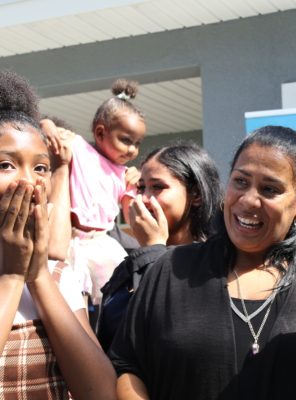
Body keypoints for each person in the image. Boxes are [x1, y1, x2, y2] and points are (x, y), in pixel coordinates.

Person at [109, 126, 296, 399]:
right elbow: (128, 369)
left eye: (269, 189)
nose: (248, 200)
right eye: (241, 181)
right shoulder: (171, 269)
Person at [0, 70, 116, 399]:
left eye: (40, 167)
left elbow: (101, 393)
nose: (27, 181)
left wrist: (37, 276)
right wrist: (11, 275)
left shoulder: (57, 276)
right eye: (6, 164)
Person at [97, 142, 222, 352]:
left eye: (157, 187)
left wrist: (154, 249)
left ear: (196, 195)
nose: (144, 198)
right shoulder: (132, 263)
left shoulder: (217, 264)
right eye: (141, 187)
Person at [45, 79, 146, 310]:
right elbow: (44, 124)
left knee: (117, 296)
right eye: (126, 140)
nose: (132, 149)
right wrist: (49, 126)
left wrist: (139, 185)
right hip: (70, 240)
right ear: (100, 132)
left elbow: (132, 216)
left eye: (137, 143)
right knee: (70, 298)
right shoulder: (78, 147)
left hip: (101, 243)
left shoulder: (124, 175)